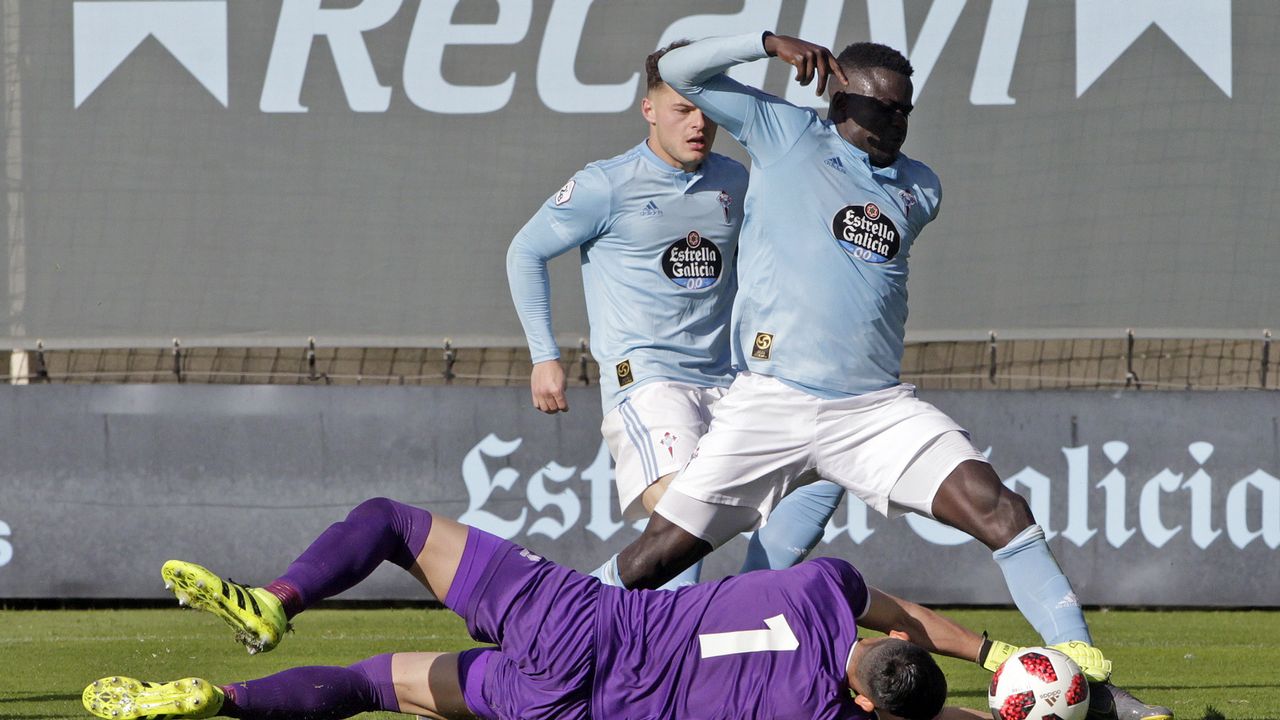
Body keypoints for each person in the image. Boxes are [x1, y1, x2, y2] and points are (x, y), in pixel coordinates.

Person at [587, 32, 1172, 720]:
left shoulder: (920, 186)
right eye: (881, 110)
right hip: (771, 404)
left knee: (1002, 512)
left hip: (873, 410)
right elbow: (679, 66)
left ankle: (1089, 685)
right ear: (840, 101)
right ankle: (536, 634)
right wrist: (767, 44)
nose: (895, 123)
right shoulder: (784, 132)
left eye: (905, 111)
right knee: (658, 556)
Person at [82, 497, 998, 720]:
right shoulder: (830, 717)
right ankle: (218, 701)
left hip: (581, 621)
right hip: (568, 705)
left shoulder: (824, 588)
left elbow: (907, 616)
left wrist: (995, 656)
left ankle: (277, 601)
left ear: (875, 650)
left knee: (393, 523)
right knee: (374, 684)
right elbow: (923, 710)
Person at [505, 41, 845, 585]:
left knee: (828, 464)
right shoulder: (605, 185)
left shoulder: (737, 182)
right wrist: (544, 356)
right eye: (682, 110)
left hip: (732, 382)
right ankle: (564, 619)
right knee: (688, 511)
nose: (698, 125)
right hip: (648, 382)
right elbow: (524, 251)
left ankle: (744, 600)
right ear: (650, 110)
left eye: (707, 113)